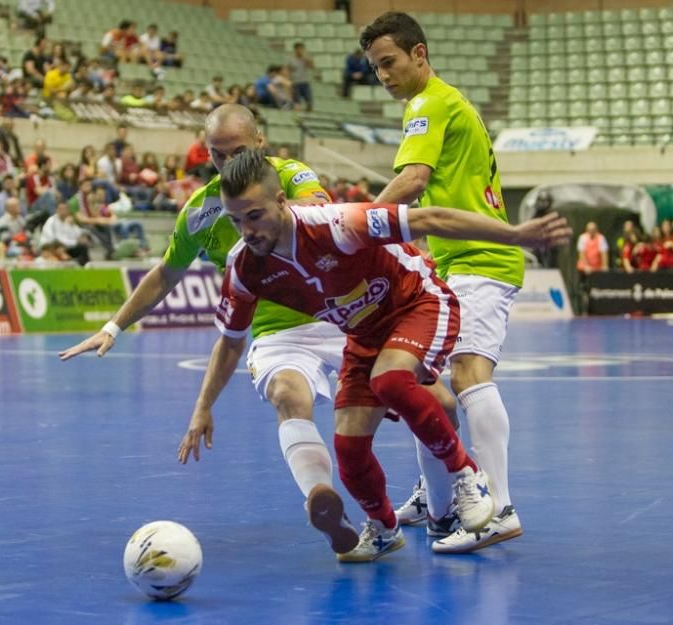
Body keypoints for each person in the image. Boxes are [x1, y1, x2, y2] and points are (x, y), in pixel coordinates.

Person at [60, 104, 458, 558]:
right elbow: (165, 274)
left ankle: (443, 505)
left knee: (437, 401)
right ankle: (324, 502)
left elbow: (319, 213)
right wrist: (115, 325)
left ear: (260, 144)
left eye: (237, 152)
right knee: (289, 395)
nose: (228, 164)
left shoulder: (290, 176)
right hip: (275, 333)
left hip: (343, 316)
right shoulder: (200, 211)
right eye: (216, 155)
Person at [193, 150, 570, 561]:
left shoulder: (338, 224)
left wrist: (515, 234)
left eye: (254, 215)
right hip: (363, 334)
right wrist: (203, 407)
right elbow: (231, 341)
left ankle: (468, 475)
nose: (247, 230)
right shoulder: (245, 267)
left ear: (282, 201)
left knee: (389, 381)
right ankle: (385, 529)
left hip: (416, 305)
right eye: (236, 220)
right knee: (349, 451)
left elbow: (428, 220)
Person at [362, 12, 527, 553]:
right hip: (455, 264)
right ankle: (440, 493)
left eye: (389, 62)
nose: (383, 75)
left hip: (482, 258)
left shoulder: (429, 103)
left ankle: (498, 508)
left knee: (468, 372)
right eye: (375, 68)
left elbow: (412, 180)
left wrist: (347, 225)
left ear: (420, 55)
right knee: (427, 381)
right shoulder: (445, 102)